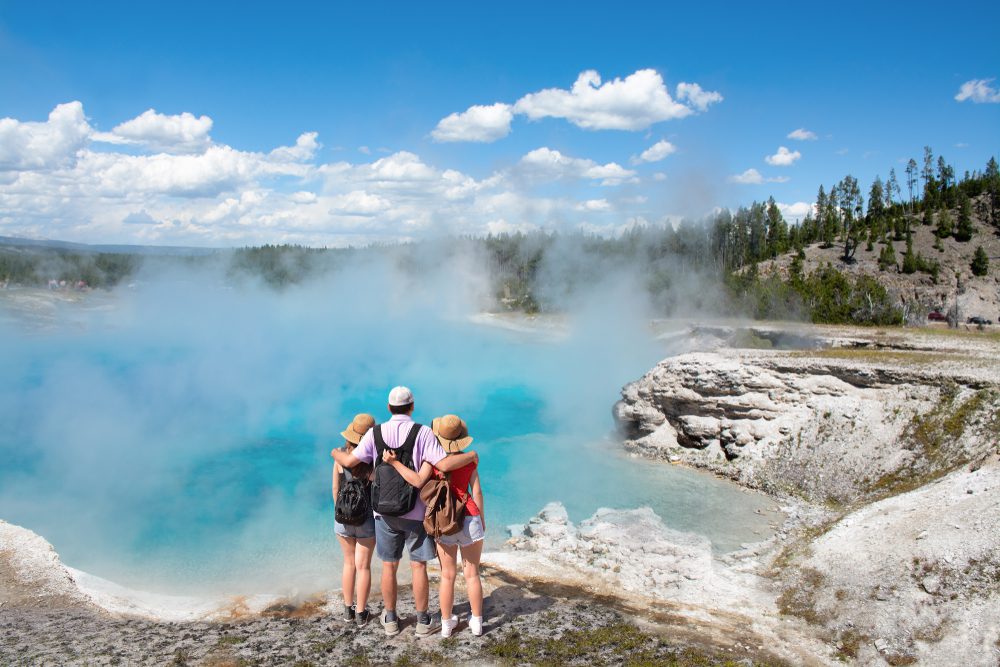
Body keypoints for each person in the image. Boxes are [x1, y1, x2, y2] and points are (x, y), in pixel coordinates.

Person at [330, 386, 477, 637]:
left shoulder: (375, 433)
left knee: (389, 566)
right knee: (418, 566)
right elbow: (442, 464)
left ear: (388, 408)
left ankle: (390, 618)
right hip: (416, 512)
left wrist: (334, 452)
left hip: (383, 513)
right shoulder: (423, 432)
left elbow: (350, 462)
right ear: (412, 406)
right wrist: (472, 456)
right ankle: (422, 621)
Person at [383, 414, 485, 638]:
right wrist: (482, 519)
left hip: (444, 522)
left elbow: (418, 482)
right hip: (470, 517)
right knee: (472, 574)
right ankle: (476, 622)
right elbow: (476, 492)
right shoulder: (470, 460)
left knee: (447, 575)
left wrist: (393, 463)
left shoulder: (431, 462)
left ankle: (447, 625)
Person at [332, 413, 377, 627]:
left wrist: (342, 512)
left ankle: (347, 610)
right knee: (364, 567)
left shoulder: (340, 455)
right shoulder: (372, 459)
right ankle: (361, 613)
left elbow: (335, 489)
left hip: (342, 519)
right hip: (367, 520)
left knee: (348, 564)